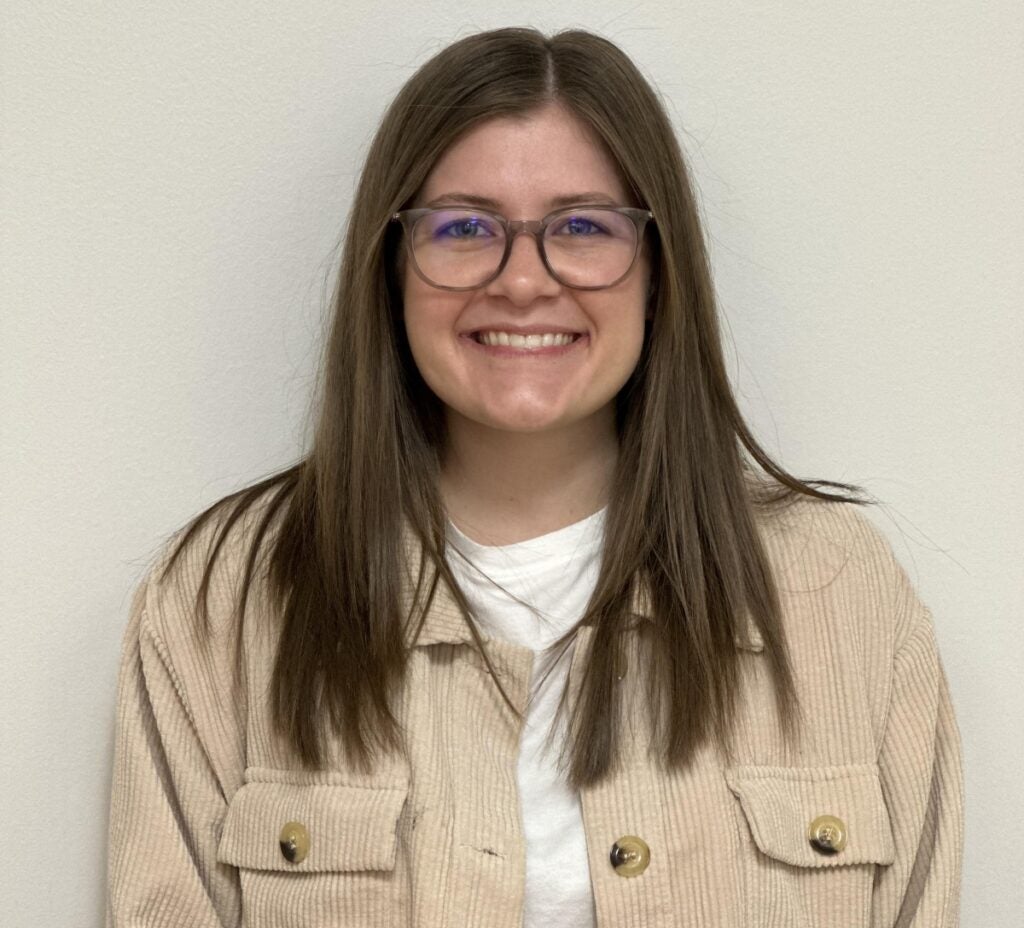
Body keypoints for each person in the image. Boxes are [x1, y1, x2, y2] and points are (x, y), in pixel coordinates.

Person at [105, 26, 964, 928]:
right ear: (393, 263)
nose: (523, 282)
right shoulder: (223, 603)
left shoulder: (840, 596)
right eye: (466, 227)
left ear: (659, 270)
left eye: (583, 226)